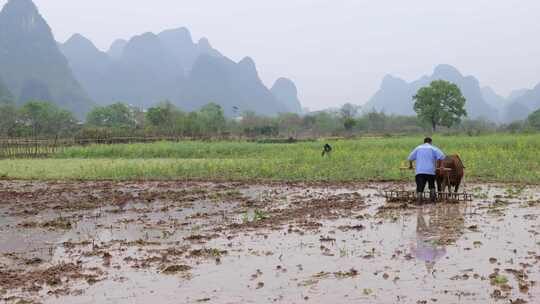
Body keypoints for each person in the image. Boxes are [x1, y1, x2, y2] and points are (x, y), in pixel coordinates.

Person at [408, 137, 446, 203]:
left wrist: (411, 165)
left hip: (420, 171)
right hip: (430, 171)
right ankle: (433, 200)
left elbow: (410, 158)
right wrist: (442, 166)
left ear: (424, 142)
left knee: (420, 186)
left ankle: (419, 200)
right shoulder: (433, 148)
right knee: (431, 185)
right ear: (431, 142)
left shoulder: (418, 148)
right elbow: (442, 156)